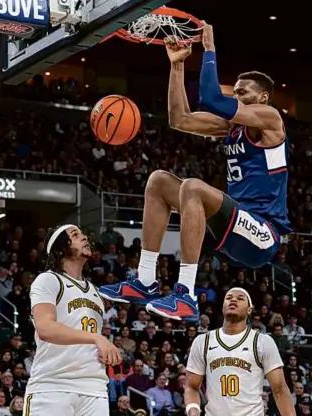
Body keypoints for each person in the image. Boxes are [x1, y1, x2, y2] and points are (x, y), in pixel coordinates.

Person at [99, 22, 291, 321]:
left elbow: (211, 99)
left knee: (192, 186)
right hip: (234, 227)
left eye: (243, 92)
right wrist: (178, 66)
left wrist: (209, 49)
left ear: (263, 97)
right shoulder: (232, 126)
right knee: (159, 181)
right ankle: (146, 281)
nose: (237, 96)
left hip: (264, 234)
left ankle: (185, 295)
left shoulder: (270, 118)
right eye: (235, 91)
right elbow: (180, 119)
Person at [23, 224, 121, 416]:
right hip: (53, 385)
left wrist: (105, 352)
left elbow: (87, 337)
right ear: (60, 249)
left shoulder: (94, 291)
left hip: (94, 387)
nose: (84, 238)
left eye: (83, 234)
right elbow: (45, 328)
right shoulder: (48, 280)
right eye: (75, 235)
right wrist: (97, 339)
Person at [185, 288, 296, 416]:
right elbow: (191, 386)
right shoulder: (202, 341)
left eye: (240, 298)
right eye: (229, 297)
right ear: (223, 307)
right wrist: (193, 411)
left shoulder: (262, 341)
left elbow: (280, 389)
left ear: (249, 309)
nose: (233, 299)